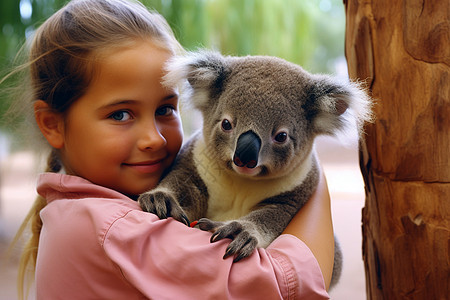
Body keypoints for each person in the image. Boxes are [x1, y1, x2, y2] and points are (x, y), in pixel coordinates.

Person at [8, 0, 335, 298]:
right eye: (120, 114)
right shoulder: (119, 231)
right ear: (52, 124)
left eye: (166, 109)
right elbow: (286, 285)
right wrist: (311, 184)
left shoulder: (77, 210)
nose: (154, 138)